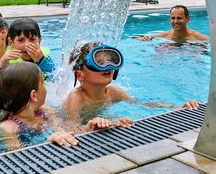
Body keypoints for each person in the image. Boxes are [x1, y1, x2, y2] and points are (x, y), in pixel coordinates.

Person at [0, 62, 129, 151]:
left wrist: (90, 127)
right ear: (34, 95)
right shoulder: (8, 128)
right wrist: (47, 141)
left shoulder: (45, 112)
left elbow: (65, 130)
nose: (46, 88)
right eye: (43, 83)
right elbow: (19, 159)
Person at [66, 42, 201, 120]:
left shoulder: (112, 92)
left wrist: (177, 108)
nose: (108, 66)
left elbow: (142, 104)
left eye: (110, 60)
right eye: (99, 62)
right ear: (80, 75)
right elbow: (71, 126)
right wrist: (90, 128)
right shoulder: (77, 98)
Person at [0, 17, 56, 98]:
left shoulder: (44, 58)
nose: (27, 45)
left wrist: (41, 60)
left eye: (32, 39)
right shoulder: (8, 61)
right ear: (11, 42)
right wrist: (1, 62)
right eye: (21, 40)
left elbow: (56, 80)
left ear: (39, 40)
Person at [138, 5, 210, 42]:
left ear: (187, 19)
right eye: (173, 18)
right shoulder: (165, 35)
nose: (175, 21)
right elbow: (141, 37)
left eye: (179, 18)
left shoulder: (198, 37)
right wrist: (146, 38)